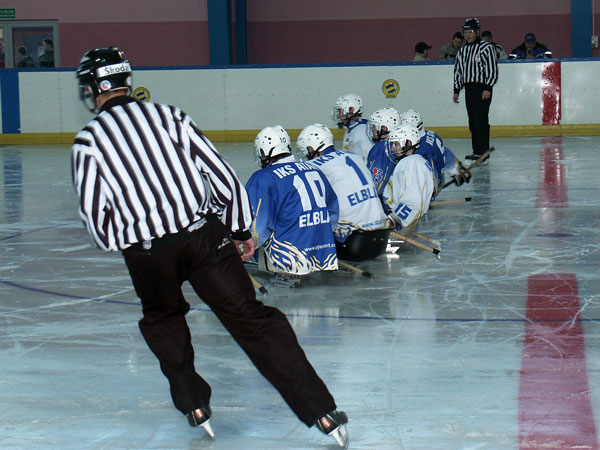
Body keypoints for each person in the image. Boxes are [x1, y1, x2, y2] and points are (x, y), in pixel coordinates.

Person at [71, 47, 349, 448]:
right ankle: (321, 411)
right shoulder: (170, 117)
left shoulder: (88, 142)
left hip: (148, 252)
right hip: (203, 237)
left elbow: (97, 223)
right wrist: (239, 231)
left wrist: (131, 243)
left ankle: (194, 405)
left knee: (164, 321)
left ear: (96, 89)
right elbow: (221, 175)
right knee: (252, 319)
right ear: (125, 80)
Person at [245, 125, 340, 280]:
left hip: (289, 259)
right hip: (323, 252)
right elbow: (333, 212)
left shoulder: (263, 178)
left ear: (265, 151)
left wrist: (242, 245)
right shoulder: (314, 169)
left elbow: (258, 228)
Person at [296, 123, 389, 261]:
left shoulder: (315, 167)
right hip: (382, 236)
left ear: (312, 147)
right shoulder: (354, 156)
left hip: (351, 243)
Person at [453, 18, 499, 161]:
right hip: (469, 89)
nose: (468, 35)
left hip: (482, 88)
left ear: (477, 32)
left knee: (481, 120)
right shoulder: (463, 50)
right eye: (466, 32)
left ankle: (483, 151)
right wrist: (456, 89)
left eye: (471, 32)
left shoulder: (486, 48)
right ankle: (477, 151)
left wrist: (487, 88)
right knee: (472, 121)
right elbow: (458, 71)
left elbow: (492, 69)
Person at [399, 109, 470, 190]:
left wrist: (430, 190)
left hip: (430, 182)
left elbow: (430, 169)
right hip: (439, 177)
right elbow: (445, 153)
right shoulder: (431, 134)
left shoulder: (419, 149)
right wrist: (456, 170)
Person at [382, 124, 435, 233]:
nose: (392, 148)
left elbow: (413, 201)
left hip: (399, 217)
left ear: (409, 143)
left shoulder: (412, 163)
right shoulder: (412, 161)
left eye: (396, 144)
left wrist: (395, 220)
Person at [365, 107, 402, 195]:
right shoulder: (399, 144)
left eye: (374, 127)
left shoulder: (380, 148)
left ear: (385, 128)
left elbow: (376, 183)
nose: (372, 130)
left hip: (387, 201)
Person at [331, 93, 372, 163]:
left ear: (352, 110)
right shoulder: (351, 128)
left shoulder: (362, 131)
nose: (338, 116)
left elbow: (370, 159)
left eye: (341, 112)